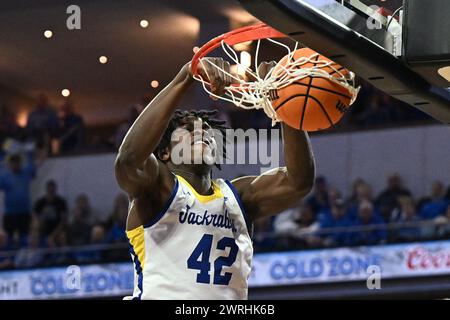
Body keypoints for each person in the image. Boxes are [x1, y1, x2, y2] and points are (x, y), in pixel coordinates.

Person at [115, 58, 315, 300]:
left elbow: (299, 181)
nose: (201, 132)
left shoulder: (238, 197)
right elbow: (128, 160)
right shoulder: (159, 188)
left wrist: (284, 103)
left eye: (207, 130)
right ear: (165, 152)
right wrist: (187, 75)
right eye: (188, 129)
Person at [0, 153, 36, 247]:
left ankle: (23, 260)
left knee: (25, 238)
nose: (16, 165)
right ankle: (8, 260)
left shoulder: (26, 172)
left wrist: (29, 154)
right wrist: (2, 159)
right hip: (10, 213)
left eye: (17, 163)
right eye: (13, 163)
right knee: (8, 240)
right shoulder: (4, 175)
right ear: (10, 164)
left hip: (24, 212)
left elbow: (33, 167)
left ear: (20, 163)